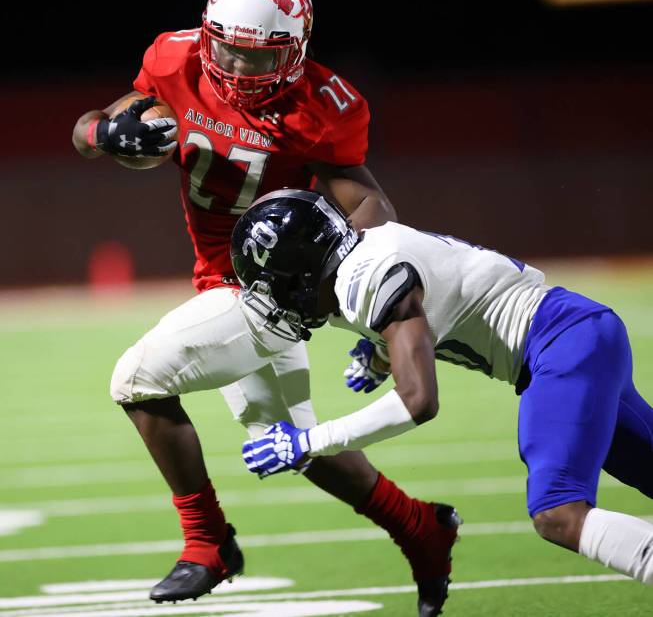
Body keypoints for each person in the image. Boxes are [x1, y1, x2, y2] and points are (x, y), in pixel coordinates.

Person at [71, 0, 459, 614]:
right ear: (209, 33)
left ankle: (208, 542)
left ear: (296, 46)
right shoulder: (174, 57)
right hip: (218, 275)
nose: (238, 65)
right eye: (227, 48)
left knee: (136, 379)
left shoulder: (322, 104)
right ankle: (420, 527)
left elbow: (368, 203)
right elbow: (90, 129)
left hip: (272, 285)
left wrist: (358, 291)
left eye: (258, 54)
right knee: (290, 439)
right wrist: (107, 133)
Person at [231, 188, 653, 593]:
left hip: (560, 345)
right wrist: (383, 352)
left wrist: (308, 442)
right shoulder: (357, 254)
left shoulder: (367, 280)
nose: (279, 302)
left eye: (276, 286)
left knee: (558, 512)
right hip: (583, 331)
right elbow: (436, 296)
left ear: (302, 271)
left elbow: (417, 401)